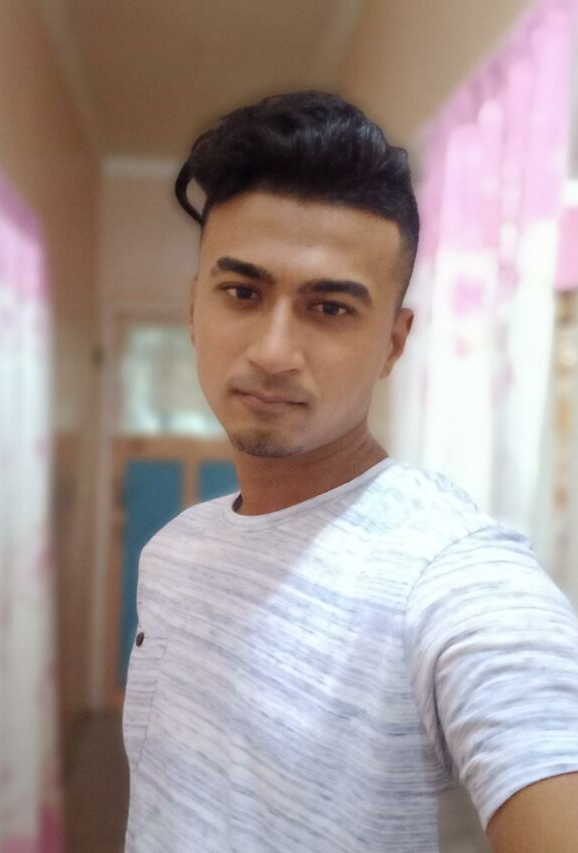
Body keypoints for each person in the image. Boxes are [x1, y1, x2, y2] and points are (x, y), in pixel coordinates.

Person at [122, 91, 578, 853]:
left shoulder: (450, 576)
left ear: (394, 343)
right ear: (195, 309)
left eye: (329, 308)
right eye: (243, 292)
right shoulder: (172, 551)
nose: (273, 351)